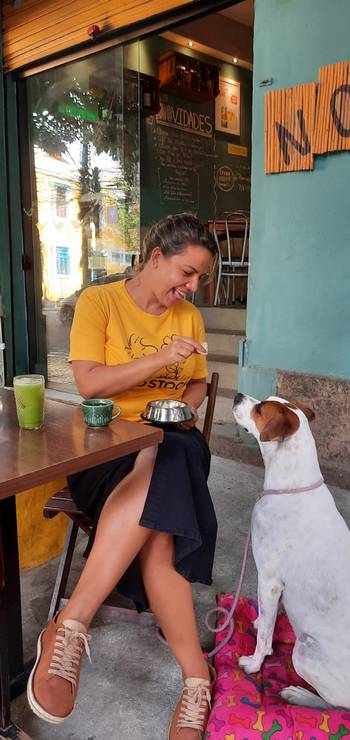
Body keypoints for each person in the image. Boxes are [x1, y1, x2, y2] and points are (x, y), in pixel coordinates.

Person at [28, 213, 219, 739]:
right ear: (155, 257)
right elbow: (90, 385)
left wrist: (177, 408)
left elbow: (199, 385)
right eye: (186, 272)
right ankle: (196, 679)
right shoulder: (101, 302)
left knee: (172, 455)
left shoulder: (189, 317)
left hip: (170, 441)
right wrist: (159, 358)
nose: (192, 287)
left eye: (200, 278)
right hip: (105, 447)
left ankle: (69, 625)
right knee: (164, 522)